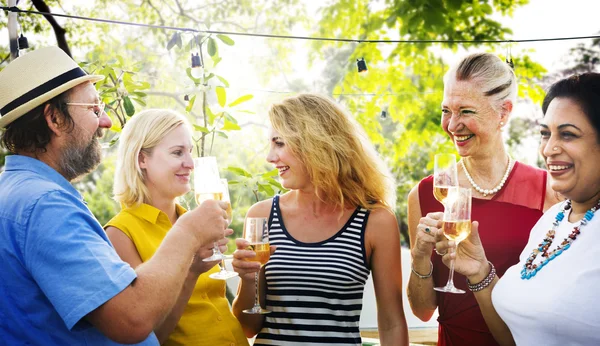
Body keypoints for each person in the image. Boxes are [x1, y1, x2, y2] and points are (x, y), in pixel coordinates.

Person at [0, 46, 228, 345]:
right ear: (54, 119)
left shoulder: (19, 192)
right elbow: (130, 320)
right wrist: (188, 233)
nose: (106, 122)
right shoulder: (45, 204)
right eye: (94, 109)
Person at [434, 72, 600, 346]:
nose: (549, 148)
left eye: (568, 135)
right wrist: (479, 270)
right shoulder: (551, 221)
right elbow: (515, 339)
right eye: (545, 134)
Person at [231, 93, 409, 346]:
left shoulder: (375, 221)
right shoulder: (262, 216)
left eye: (279, 143)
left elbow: (391, 323)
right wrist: (248, 281)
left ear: (316, 144)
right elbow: (247, 328)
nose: (270, 157)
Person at [407, 52, 560, 345]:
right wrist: (420, 257)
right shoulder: (425, 194)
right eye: (446, 111)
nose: (452, 125)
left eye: (465, 111)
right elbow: (423, 310)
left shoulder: (549, 193)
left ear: (503, 112)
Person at [105, 108, 248, 346]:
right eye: (177, 152)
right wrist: (192, 271)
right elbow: (149, 336)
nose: (190, 163)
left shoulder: (196, 221)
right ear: (142, 159)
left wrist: (249, 277)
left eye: (190, 152)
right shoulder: (120, 233)